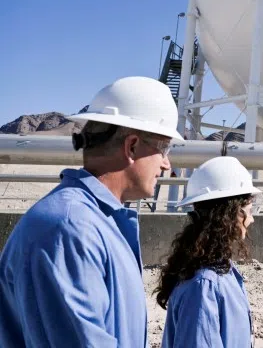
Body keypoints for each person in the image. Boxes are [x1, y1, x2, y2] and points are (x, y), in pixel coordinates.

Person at [0, 76, 179, 347]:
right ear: (132, 146)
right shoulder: (69, 229)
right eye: (164, 148)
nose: (167, 164)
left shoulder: (99, 221)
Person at [156, 155, 261, 348]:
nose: (252, 219)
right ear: (233, 214)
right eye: (250, 210)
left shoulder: (221, 271)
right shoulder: (204, 286)